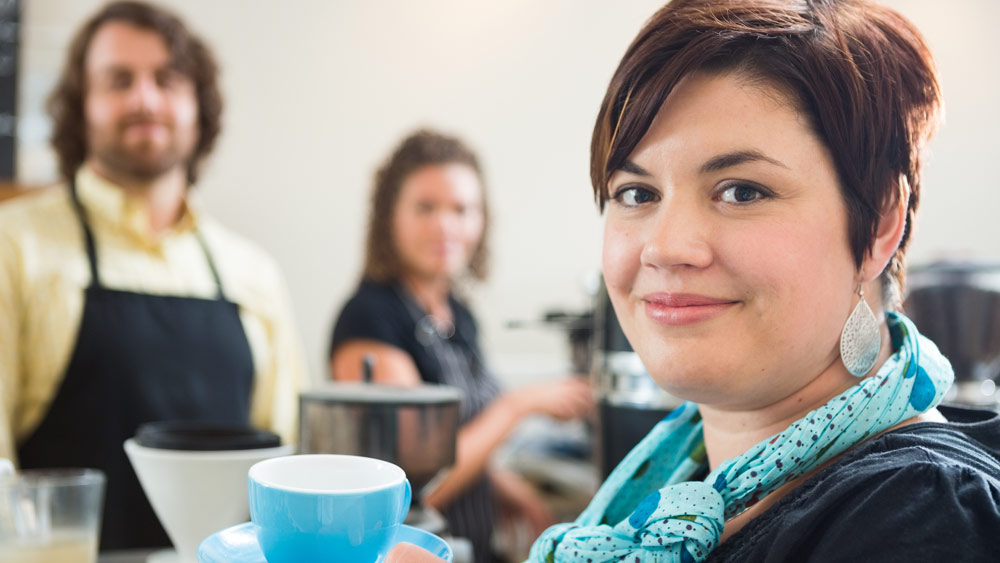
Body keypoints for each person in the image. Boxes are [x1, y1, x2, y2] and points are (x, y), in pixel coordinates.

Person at [388, 1, 1000, 562]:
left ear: (878, 226)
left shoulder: (923, 517)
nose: (665, 246)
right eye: (636, 193)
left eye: (742, 191)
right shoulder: (679, 472)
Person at [0, 1, 305, 551]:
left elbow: (288, 473)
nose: (145, 99)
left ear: (198, 105)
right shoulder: (13, 247)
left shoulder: (253, 274)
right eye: (120, 81)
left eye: (167, 80)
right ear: (80, 105)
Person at [329, 129, 593, 562]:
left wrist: (511, 491)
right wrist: (517, 406)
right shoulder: (370, 319)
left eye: (462, 209)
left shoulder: (459, 315)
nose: (446, 225)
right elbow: (417, 488)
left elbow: (465, 443)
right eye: (426, 208)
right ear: (389, 216)